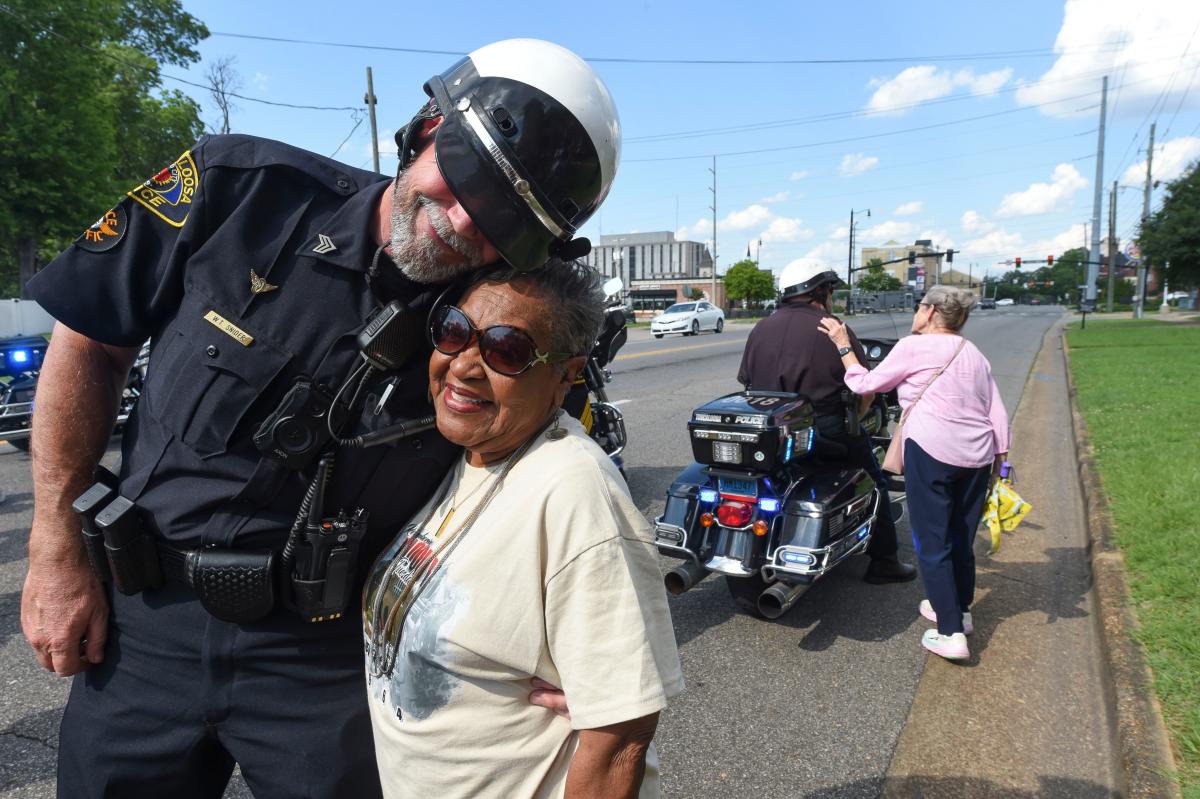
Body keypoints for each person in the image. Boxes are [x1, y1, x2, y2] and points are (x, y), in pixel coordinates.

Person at [20, 38, 621, 798]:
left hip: (329, 661)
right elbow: (88, 338)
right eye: (465, 175)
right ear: (427, 126)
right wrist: (53, 546)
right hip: (147, 622)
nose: (464, 220)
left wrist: (573, 643)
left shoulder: (499, 330)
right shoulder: (235, 190)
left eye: (506, 219)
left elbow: (559, 474)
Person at [363, 261, 683, 798]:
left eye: (507, 350)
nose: (464, 365)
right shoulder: (467, 455)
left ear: (566, 374)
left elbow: (619, 739)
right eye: (454, 332)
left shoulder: (576, 493)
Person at [819, 286, 1010, 661]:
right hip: (978, 456)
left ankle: (951, 633)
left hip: (933, 452)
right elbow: (996, 410)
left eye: (920, 306)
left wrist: (844, 344)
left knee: (932, 542)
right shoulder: (972, 352)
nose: (915, 312)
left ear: (932, 311)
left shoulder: (912, 347)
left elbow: (864, 384)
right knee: (960, 535)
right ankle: (959, 610)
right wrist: (1001, 463)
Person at [737, 258, 917, 584]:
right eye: (830, 289)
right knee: (874, 480)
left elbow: (747, 383)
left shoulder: (761, 327)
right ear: (819, 290)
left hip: (772, 434)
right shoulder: (832, 327)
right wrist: (857, 420)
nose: (831, 295)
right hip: (825, 432)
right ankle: (885, 561)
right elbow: (866, 391)